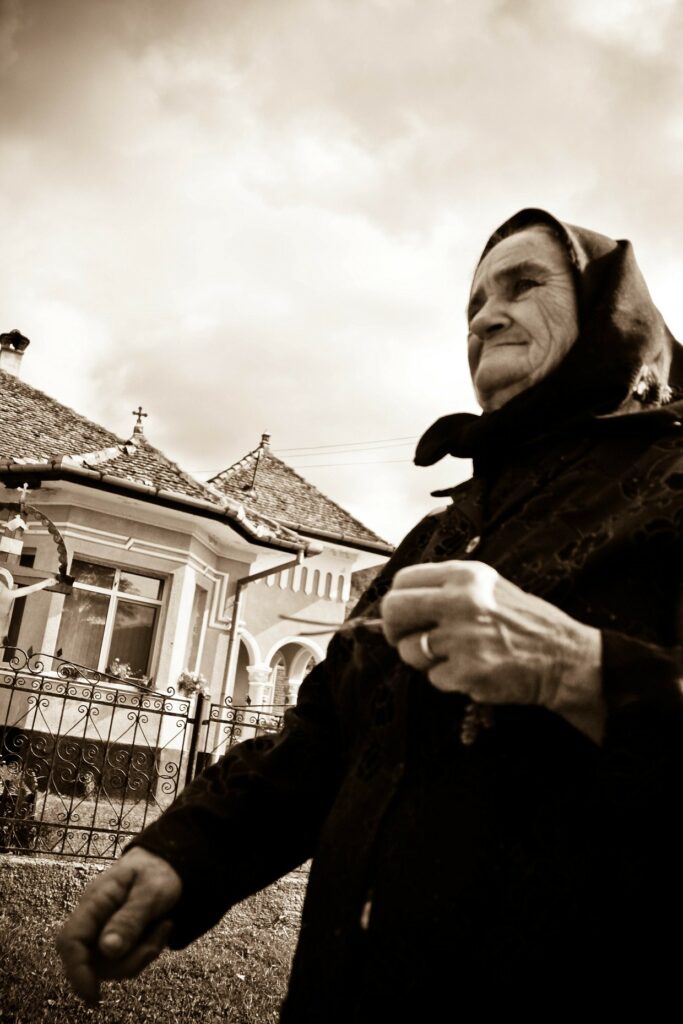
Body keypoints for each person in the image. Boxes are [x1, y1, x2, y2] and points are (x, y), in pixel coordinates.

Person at [57, 209, 683, 1019]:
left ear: (608, 315)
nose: (484, 318)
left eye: (522, 285)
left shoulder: (671, 485)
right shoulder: (442, 533)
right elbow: (326, 734)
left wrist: (574, 669)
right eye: (472, 305)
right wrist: (183, 855)